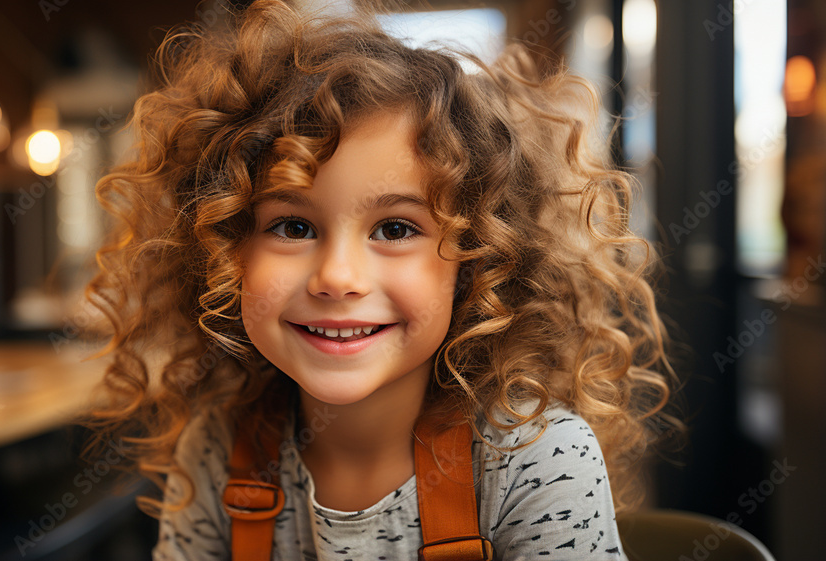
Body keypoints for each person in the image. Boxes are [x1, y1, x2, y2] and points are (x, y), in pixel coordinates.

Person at [84, 1, 681, 559]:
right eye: (292, 226)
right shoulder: (217, 452)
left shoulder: (536, 459)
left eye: (395, 229)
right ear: (221, 252)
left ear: (476, 261)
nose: (338, 277)